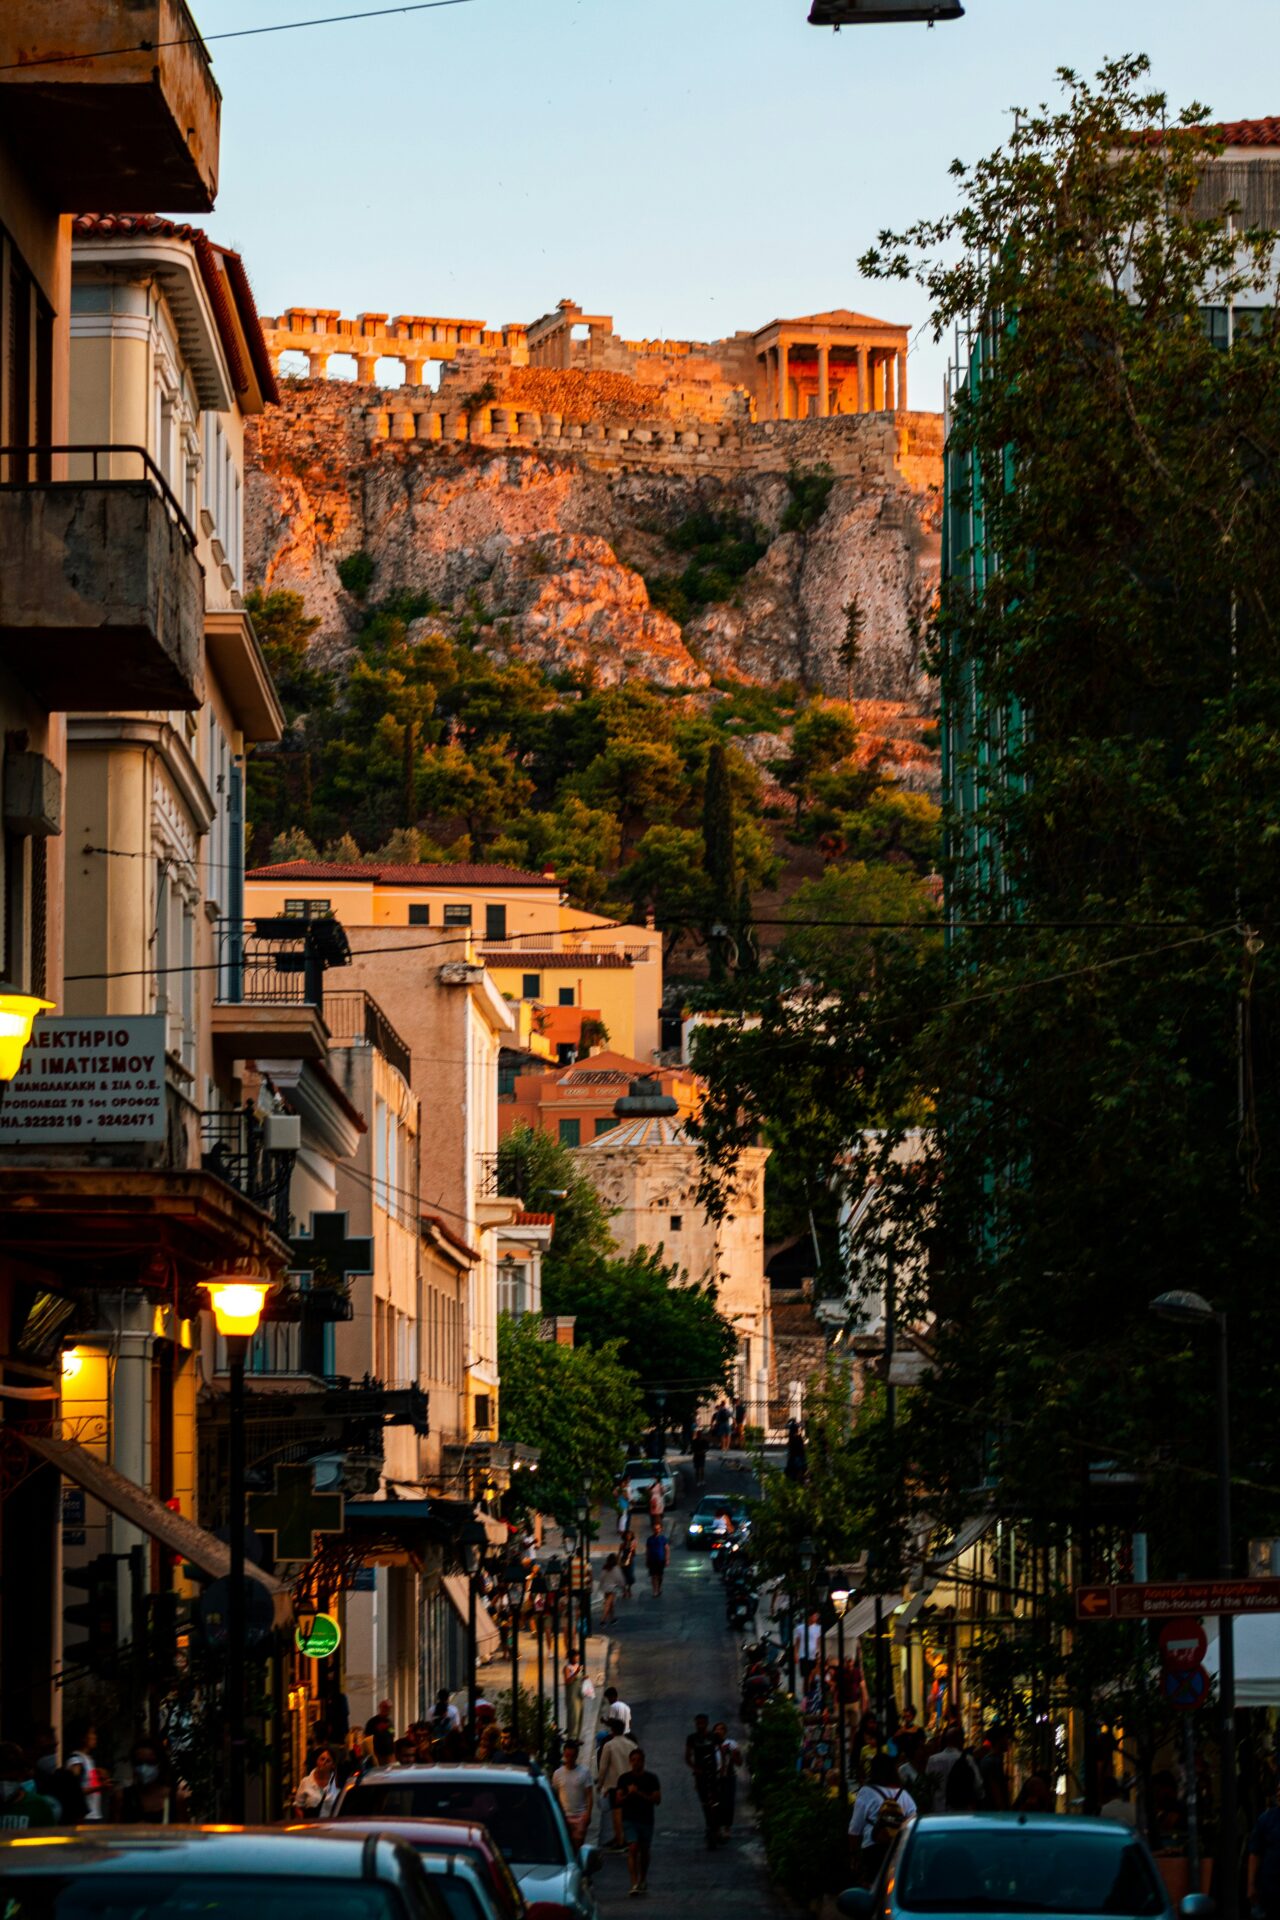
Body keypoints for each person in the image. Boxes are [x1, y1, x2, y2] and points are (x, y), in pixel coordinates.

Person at [849, 1752, 916, 1885]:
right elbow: (914, 1818)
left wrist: (853, 1856)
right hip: (898, 1849)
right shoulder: (903, 1794)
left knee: (874, 1888)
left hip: (873, 1850)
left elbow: (855, 1829)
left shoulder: (866, 1792)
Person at [618, 1747, 661, 1895]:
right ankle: (634, 1882)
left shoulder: (651, 1778)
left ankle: (643, 1879)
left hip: (646, 1819)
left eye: (639, 1760)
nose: (636, 1763)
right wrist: (629, 1795)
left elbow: (657, 1799)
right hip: (629, 1819)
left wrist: (639, 1794)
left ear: (643, 1761)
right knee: (633, 1847)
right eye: (634, 1760)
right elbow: (618, 1799)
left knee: (644, 1850)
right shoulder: (624, 1779)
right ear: (630, 1761)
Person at [596, 1718, 638, 1851]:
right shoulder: (632, 1744)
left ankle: (620, 1841)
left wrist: (600, 1784)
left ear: (612, 1731)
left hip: (615, 1784)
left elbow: (603, 1767)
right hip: (630, 1782)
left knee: (617, 1812)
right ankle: (625, 1837)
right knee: (628, 1812)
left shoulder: (609, 1745)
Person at [0, 1744, 60, 1831]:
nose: (4, 1785)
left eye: (11, 1779)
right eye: (1, 1779)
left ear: (21, 1776)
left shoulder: (38, 1806)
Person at [685, 1713, 722, 1847]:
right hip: (700, 1775)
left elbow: (721, 1752)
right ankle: (710, 1827)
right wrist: (695, 1768)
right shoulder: (692, 1738)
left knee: (716, 1802)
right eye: (697, 1723)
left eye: (702, 1723)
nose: (700, 1725)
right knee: (705, 1803)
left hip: (713, 1772)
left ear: (707, 1723)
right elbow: (687, 1756)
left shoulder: (714, 1737)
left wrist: (721, 1769)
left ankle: (716, 1828)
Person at [1248, 1778, 1280, 1920]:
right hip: (1270, 1889)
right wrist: (1250, 1885)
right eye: (1278, 1790)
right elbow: (1254, 1854)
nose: (1278, 1794)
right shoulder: (1266, 1819)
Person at [553, 1739, 594, 1848]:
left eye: (572, 1756)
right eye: (567, 1755)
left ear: (576, 1756)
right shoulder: (557, 1774)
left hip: (580, 1815)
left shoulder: (584, 1772)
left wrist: (588, 1814)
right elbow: (555, 1795)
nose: (570, 1758)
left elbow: (589, 1794)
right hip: (564, 1816)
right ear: (564, 1755)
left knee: (578, 1843)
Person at [65, 1720, 107, 1822]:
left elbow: (90, 1784)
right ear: (83, 1737)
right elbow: (74, 1790)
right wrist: (100, 1787)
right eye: (91, 1733)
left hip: (94, 1814)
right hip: (85, 1817)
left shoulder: (87, 1759)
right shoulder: (76, 1760)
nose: (95, 1737)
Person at [713, 1722, 743, 1838]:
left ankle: (726, 1827)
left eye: (721, 1729)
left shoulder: (731, 1744)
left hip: (728, 1776)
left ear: (725, 1732)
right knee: (716, 1802)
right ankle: (716, 1827)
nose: (718, 1731)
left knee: (728, 1803)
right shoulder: (711, 1745)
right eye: (716, 1729)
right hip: (715, 1777)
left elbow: (739, 1762)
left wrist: (732, 1753)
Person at [293, 1747, 341, 1819]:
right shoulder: (306, 1782)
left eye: (328, 1761)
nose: (324, 1763)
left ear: (333, 1765)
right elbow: (298, 1806)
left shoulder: (337, 1782)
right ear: (317, 1761)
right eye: (322, 1759)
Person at [795, 1609, 823, 1689]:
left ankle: (812, 1694)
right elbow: (797, 1642)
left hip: (814, 1655)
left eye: (817, 1616)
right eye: (814, 1616)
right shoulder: (800, 1628)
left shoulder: (818, 1628)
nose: (816, 1618)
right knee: (806, 1677)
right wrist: (795, 1654)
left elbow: (819, 1642)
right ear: (810, 1617)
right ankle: (806, 1695)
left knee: (814, 1675)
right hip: (803, 1655)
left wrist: (820, 1653)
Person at [600, 1552, 625, 1625]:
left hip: (605, 1587)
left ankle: (612, 1619)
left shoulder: (605, 1567)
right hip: (612, 1588)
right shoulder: (616, 1568)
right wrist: (623, 1587)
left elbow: (601, 1577)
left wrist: (601, 1585)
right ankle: (603, 1620)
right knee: (608, 1604)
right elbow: (620, 1579)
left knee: (610, 1604)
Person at [645, 1522, 669, 1597]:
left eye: (658, 1529)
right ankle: (655, 1591)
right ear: (653, 1530)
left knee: (660, 1576)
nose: (657, 1530)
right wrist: (647, 1559)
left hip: (660, 1559)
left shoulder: (663, 1538)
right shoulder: (649, 1539)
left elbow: (667, 1549)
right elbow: (647, 1550)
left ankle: (659, 1587)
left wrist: (667, 1559)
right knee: (653, 1576)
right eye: (655, 1529)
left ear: (661, 1529)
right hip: (652, 1559)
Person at [619, 1527, 637, 1600]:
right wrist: (618, 1561)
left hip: (630, 1561)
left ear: (631, 1537)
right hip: (623, 1561)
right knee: (623, 1576)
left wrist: (633, 1549)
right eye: (627, 1535)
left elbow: (634, 1554)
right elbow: (619, 1553)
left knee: (630, 1575)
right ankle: (624, 1591)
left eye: (629, 1536)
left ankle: (629, 1588)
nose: (628, 1537)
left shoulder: (632, 1544)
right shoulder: (622, 1545)